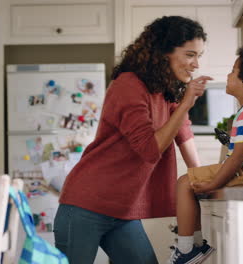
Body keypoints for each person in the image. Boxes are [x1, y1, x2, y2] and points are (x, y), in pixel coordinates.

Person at [54, 16, 213, 264]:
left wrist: (204, 180)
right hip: (85, 204)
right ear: (163, 53)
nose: (196, 65)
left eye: (199, 56)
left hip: (122, 211)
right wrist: (186, 104)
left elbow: (183, 133)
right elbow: (150, 150)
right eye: (190, 55)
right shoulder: (129, 85)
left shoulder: (165, 92)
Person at [168, 44, 243, 264]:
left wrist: (211, 184)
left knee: (184, 183)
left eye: (232, 71)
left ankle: (188, 249)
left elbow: (237, 159)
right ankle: (193, 246)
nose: (227, 76)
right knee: (189, 185)